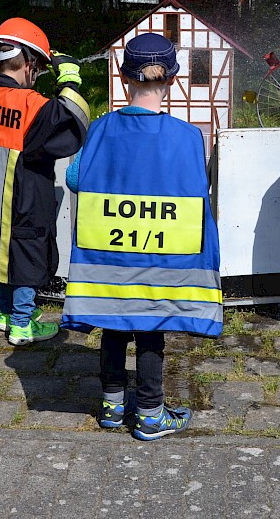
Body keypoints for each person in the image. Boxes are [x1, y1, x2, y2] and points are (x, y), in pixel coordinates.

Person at [61, 32, 221, 441]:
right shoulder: (188, 136)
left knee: (113, 327)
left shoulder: (99, 130)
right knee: (152, 329)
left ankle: (113, 406)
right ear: (171, 80)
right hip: (161, 263)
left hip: (109, 260)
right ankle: (151, 413)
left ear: (122, 74)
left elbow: (75, 179)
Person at [0, 18, 90, 345]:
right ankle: (22, 325)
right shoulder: (32, 105)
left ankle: (5, 314)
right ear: (28, 62)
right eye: (38, 67)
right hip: (24, 201)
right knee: (25, 257)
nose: (37, 74)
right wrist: (70, 77)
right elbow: (74, 120)